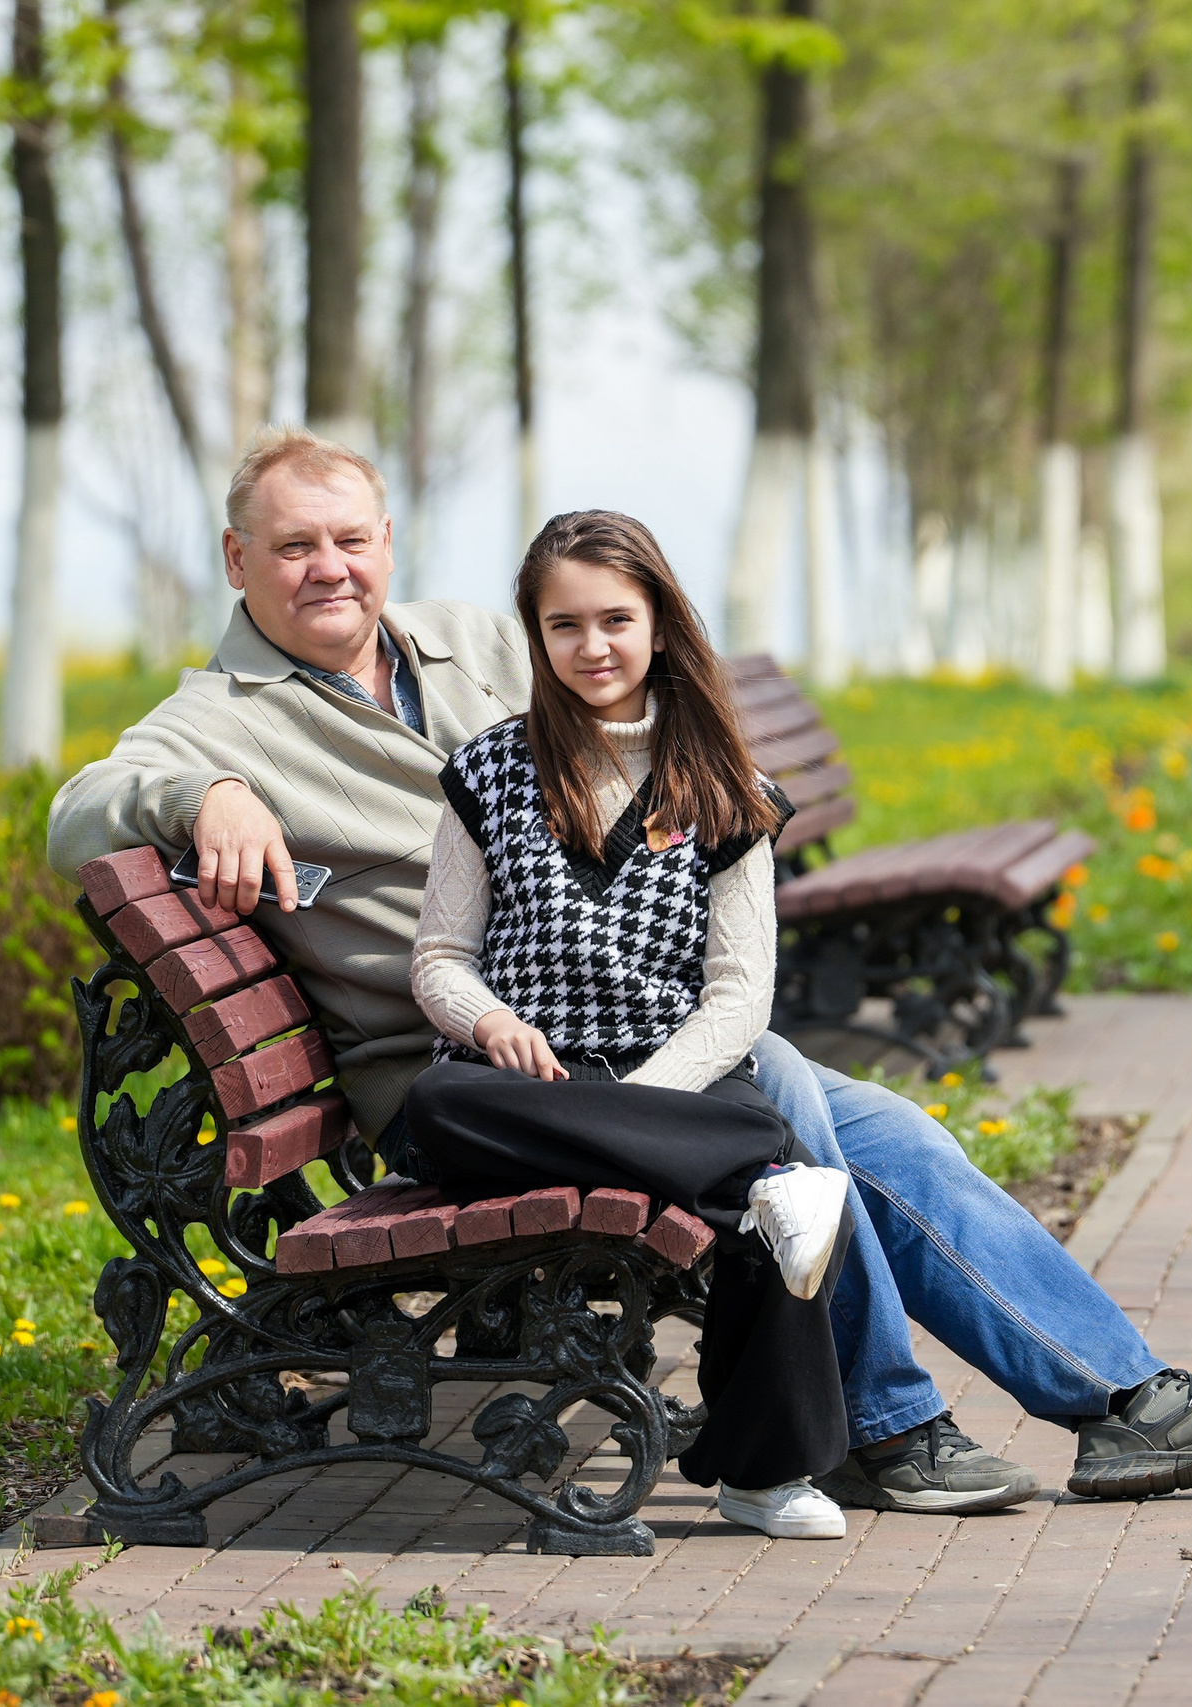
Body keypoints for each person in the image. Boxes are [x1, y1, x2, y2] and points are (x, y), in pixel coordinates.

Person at [47, 426, 1192, 1510]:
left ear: (386, 540)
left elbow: (628, 701)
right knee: (791, 1105)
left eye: (350, 538)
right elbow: (76, 811)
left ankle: (1120, 1403)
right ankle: (898, 1428)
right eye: (293, 547)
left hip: (638, 1028)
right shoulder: (218, 714)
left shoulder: (471, 644)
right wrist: (206, 792)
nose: (329, 567)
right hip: (478, 1082)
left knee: (891, 1134)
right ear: (238, 561)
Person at [403, 509, 853, 1538]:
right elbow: (438, 959)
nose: (592, 646)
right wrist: (486, 1021)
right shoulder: (489, 772)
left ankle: (763, 1477)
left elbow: (737, 995)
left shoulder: (730, 793)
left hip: (671, 1081)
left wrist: (643, 1107)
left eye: (615, 620)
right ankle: (748, 1167)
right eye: (564, 625)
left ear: (659, 624)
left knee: (765, 1168)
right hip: (521, 1093)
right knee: (437, 1100)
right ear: (535, 635)